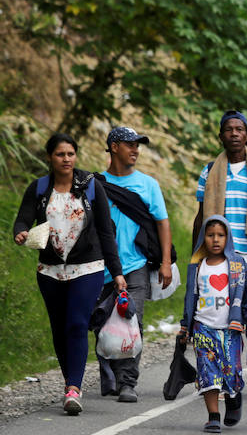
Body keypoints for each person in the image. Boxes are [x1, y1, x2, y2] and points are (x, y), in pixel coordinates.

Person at [13, 133, 126, 415]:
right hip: (50, 270)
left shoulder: (90, 186)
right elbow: (23, 218)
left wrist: (117, 272)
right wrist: (21, 232)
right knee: (60, 328)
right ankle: (69, 381)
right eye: (60, 154)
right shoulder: (38, 188)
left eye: (70, 154)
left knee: (76, 323)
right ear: (50, 157)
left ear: (77, 156)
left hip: (87, 267)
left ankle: (73, 389)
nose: (66, 159)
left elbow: (105, 231)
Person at [193, 110, 247, 392]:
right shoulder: (209, 171)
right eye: (228, 129)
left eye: (239, 129)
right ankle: (220, 375)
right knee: (218, 316)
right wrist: (195, 257)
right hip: (218, 257)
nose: (234, 133)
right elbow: (200, 216)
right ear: (221, 136)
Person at [94, 127, 173, 402]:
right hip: (100, 267)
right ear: (114, 147)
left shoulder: (148, 184)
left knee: (131, 321)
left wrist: (165, 262)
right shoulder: (94, 183)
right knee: (103, 323)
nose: (136, 150)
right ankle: (111, 375)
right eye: (130, 145)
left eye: (138, 146)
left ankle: (128, 382)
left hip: (135, 264)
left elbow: (163, 223)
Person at [181, 216, 247, 433]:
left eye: (220, 235)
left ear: (228, 238)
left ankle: (234, 398)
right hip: (203, 327)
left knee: (230, 372)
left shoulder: (236, 265)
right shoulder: (197, 266)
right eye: (210, 235)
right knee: (207, 372)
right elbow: (190, 298)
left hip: (230, 329)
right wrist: (185, 326)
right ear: (202, 238)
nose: (215, 240)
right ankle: (213, 415)